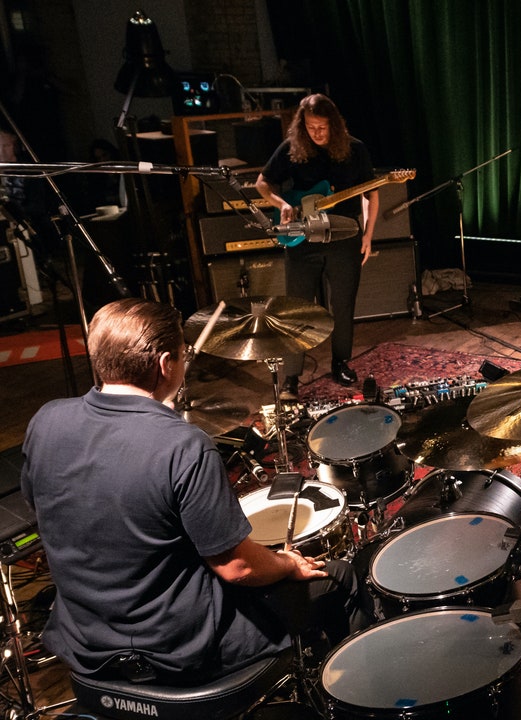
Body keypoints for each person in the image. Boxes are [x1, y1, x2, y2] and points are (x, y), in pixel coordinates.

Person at [21, 298, 366, 684]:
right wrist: (286, 562)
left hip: (85, 644)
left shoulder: (46, 421)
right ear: (166, 364)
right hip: (175, 651)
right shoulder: (183, 446)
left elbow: (50, 508)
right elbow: (239, 568)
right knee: (341, 577)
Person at [256, 93, 379, 398]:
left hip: (345, 235)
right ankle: (291, 377)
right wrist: (282, 204)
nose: (317, 133)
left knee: (344, 305)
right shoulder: (292, 148)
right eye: (311, 127)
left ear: (334, 125)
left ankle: (340, 362)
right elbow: (262, 183)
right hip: (303, 238)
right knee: (297, 308)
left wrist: (368, 236)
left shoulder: (355, 149)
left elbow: (372, 194)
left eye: (322, 127)